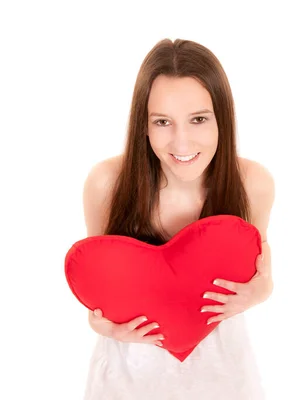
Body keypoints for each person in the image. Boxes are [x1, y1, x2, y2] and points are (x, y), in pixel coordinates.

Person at [81, 38, 274, 399]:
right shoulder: (106, 183)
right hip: (128, 375)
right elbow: (97, 292)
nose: (181, 143)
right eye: (163, 122)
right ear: (144, 125)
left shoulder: (253, 184)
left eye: (198, 119)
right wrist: (109, 329)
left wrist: (259, 292)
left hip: (222, 373)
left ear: (222, 119)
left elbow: (260, 278)